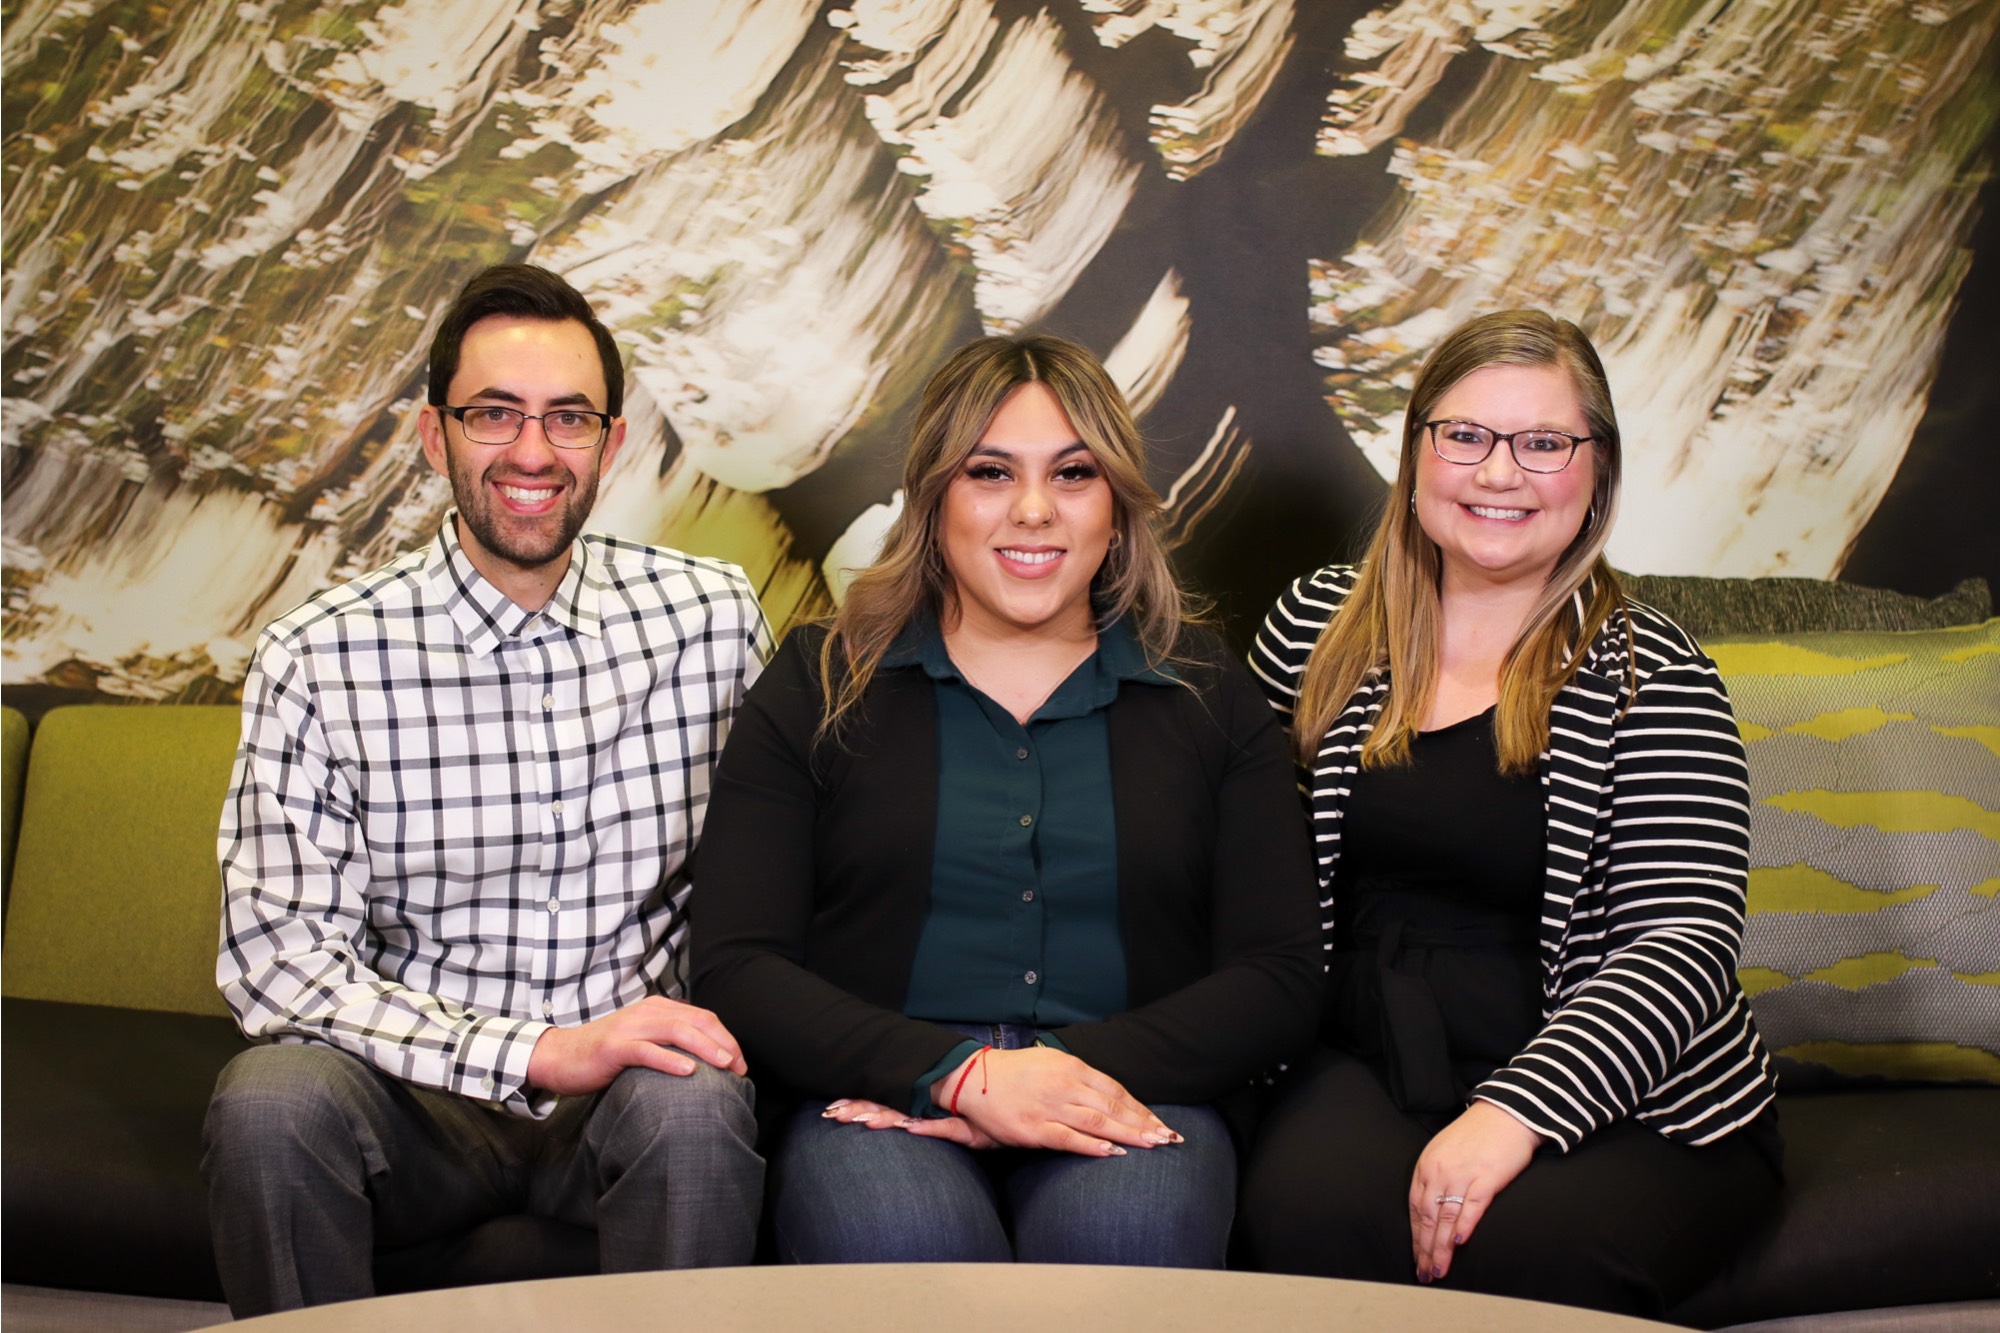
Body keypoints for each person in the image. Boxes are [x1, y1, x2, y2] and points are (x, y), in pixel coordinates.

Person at [204, 263, 772, 1316]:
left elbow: (786, 871)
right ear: (435, 435)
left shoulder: (712, 619)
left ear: (610, 442)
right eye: (493, 414)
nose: (532, 452)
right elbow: (277, 965)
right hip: (412, 1096)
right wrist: (541, 1051)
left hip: (632, 1096)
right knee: (269, 1104)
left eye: (568, 418)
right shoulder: (317, 655)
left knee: (696, 1106)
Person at [689, 334, 1322, 1267]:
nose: (1034, 509)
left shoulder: (1205, 692)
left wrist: (1057, 1073)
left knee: (1124, 1246)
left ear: (1116, 506)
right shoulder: (818, 681)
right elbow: (737, 963)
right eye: (990, 472)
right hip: (876, 1088)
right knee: (904, 1243)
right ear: (932, 498)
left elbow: (1281, 972)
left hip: (1138, 1079)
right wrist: (961, 1077)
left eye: (1073, 473)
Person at [1239, 309, 1783, 1316]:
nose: (1498, 473)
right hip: (1365, 1047)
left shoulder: (1652, 674)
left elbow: (1683, 943)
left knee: (1524, 1262)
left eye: (1542, 443)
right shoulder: (1316, 626)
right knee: (1309, 1226)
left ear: (1596, 470)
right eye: (1465, 435)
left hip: (1623, 1081)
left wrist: (1513, 1115)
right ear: (1415, 452)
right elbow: (1234, 862)